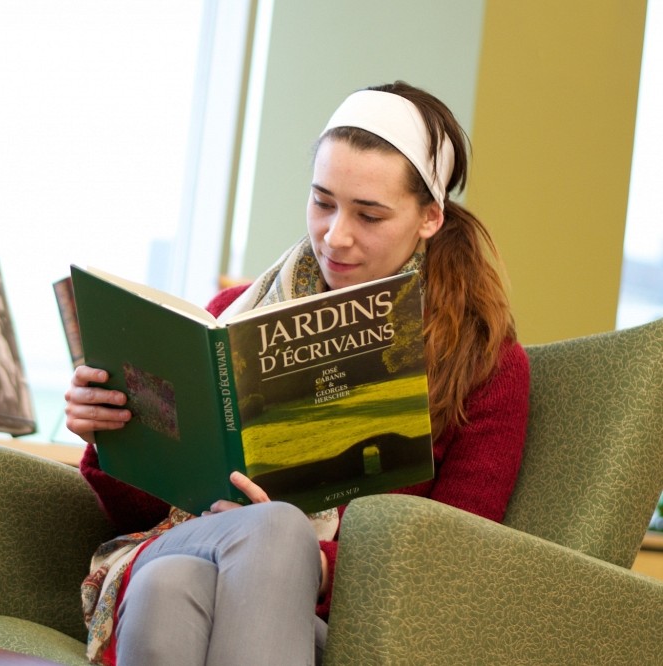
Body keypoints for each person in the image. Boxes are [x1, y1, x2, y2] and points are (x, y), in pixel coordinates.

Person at [65, 81, 529, 666]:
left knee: (184, 578)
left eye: (370, 214)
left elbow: (452, 561)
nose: (336, 235)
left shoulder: (482, 361)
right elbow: (141, 514)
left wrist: (313, 559)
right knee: (256, 537)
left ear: (429, 218)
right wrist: (110, 433)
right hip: (186, 546)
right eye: (322, 201)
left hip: (328, 624)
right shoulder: (232, 316)